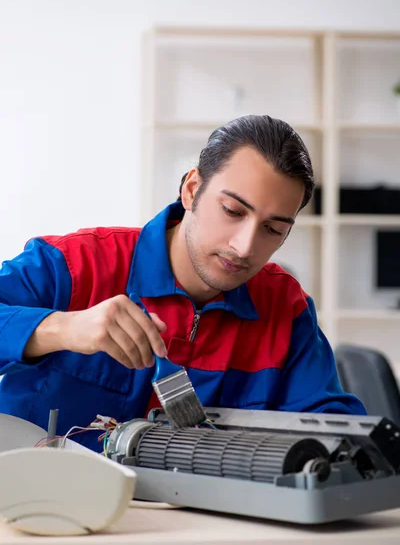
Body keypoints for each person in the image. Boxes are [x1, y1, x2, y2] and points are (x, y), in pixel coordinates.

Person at [0, 115, 365, 451]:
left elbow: (333, 429)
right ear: (192, 189)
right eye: (233, 211)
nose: (244, 247)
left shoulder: (286, 308)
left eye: (273, 229)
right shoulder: (74, 263)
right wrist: (60, 328)